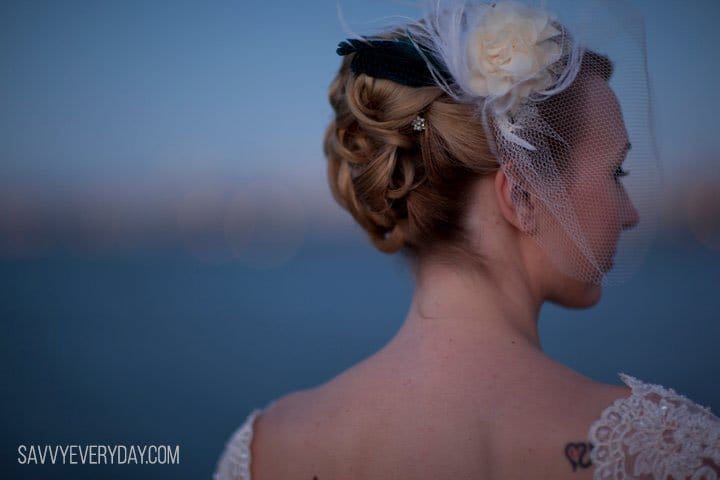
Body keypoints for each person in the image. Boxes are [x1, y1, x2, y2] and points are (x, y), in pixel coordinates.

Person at [213, 1, 720, 478]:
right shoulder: (668, 449)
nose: (631, 214)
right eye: (617, 171)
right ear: (520, 196)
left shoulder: (264, 451)